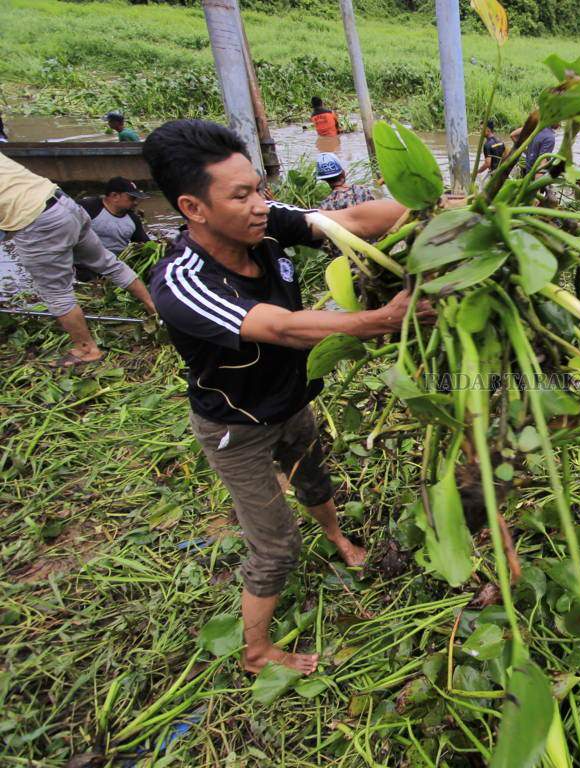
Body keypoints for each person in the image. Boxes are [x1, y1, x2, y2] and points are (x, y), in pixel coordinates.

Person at [142, 119, 432, 675]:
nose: (260, 204)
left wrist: (434, 209)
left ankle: (339, 541)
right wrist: (381, 319)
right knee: (275, 546)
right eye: (242, 195)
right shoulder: (181, 282)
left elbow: (347, 220)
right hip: (238, 426)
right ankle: (255, 652)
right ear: (193, 207)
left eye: (259, 188)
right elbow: (281, 328)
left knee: (313, 477)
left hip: (293, 399)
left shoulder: (263, 224)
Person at [0, 154, 156, 367]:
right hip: (63, 203)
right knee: (108, 262)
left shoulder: (131, 219)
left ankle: (87, 350)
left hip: (35, 220)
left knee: (56, 291)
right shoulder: (92, 206)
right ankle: (153, 306)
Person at [79, 177, 151, 255]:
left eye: (136, 199)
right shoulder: (87, 207)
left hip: (116, 263)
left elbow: (146, 245)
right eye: (132, 198)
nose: (136, 202)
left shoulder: (134, 219)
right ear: (115, 196)